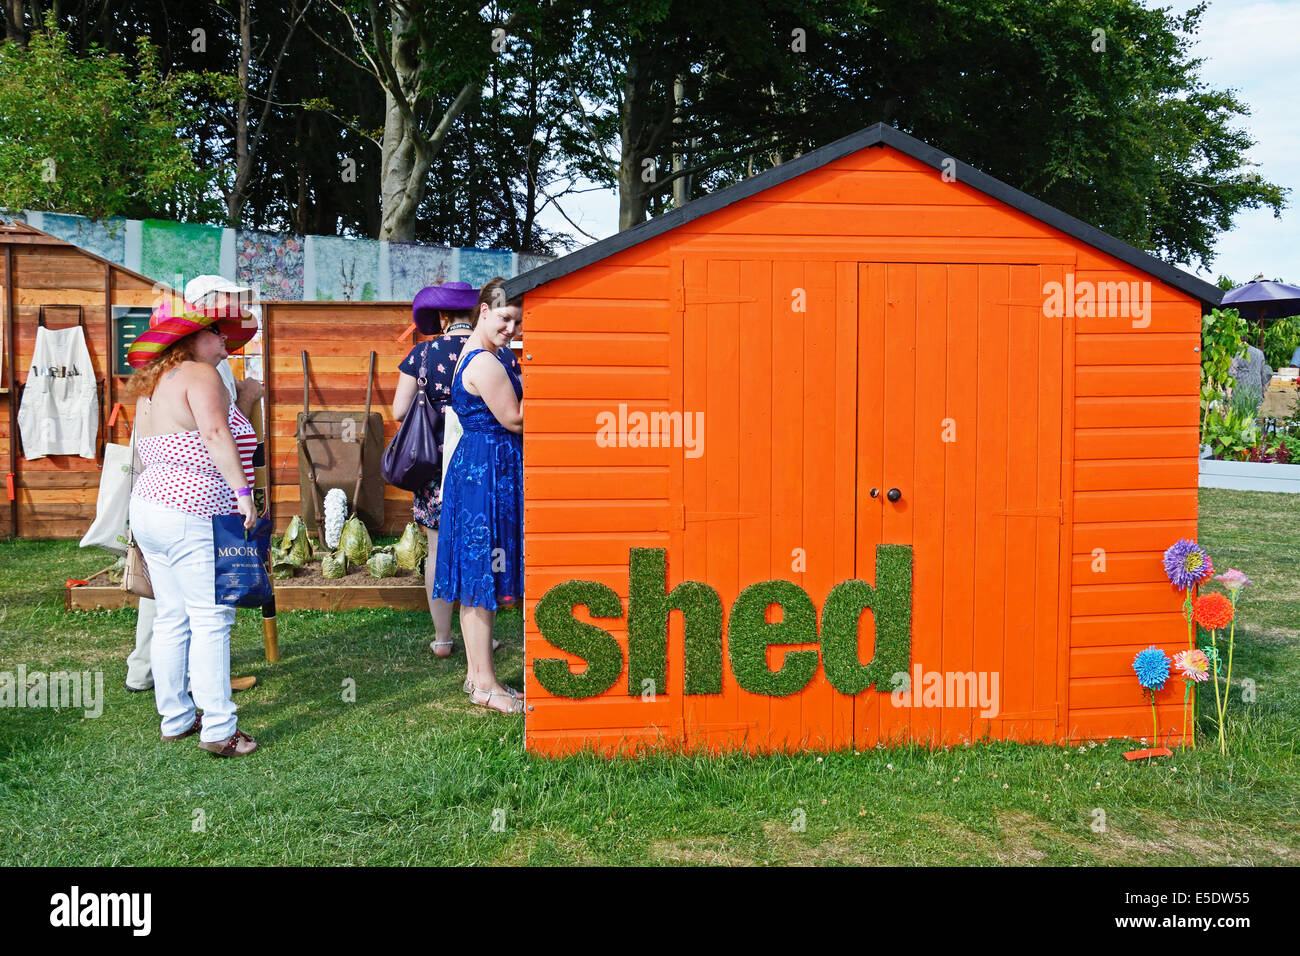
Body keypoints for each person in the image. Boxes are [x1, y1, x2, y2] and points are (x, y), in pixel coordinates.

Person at [125, 292, 261, 757]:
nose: (227, 342)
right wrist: (244, 494)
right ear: (191, 336)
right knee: (211, 617)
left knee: (172, 617)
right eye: (218, 333)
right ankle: (220, 729)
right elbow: (215, 432)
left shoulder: (154, 382)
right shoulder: (199, 375)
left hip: (150, 506)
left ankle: (177, 718)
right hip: (193, 505)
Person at [393, 282, 519, 658]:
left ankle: (443, 637)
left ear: (443, 317)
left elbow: (400, 411)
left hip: (436, 461)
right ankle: (479, 642)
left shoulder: (423, 353)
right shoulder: (500, 355)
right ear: (478, 312)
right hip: (487, 458)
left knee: (440, 547)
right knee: (483, 550)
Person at [433, 277, 524, 714]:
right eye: (506, 318)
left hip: (478, 469)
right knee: (480, 576)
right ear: (483, 311)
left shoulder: (482, 353)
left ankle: (477, 678)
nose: (511, 329)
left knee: (477, 574)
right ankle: (486, 685)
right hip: (485, 474)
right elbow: (516, 418)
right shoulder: (486, 363)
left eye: (518, 323)